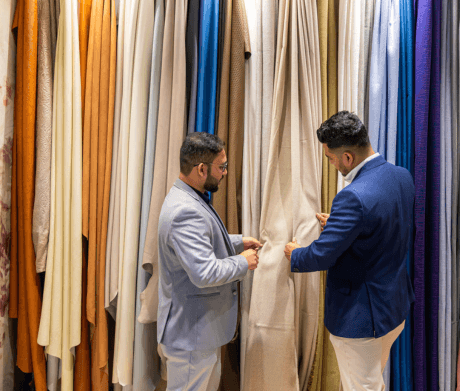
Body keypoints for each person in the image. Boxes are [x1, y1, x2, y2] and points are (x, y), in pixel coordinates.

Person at [284, 111, 415, 391]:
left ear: (347, 157)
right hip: (393, 308)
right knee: (371, 382)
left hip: (361, 320)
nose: (332, 165)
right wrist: (340, 225)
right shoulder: (401, 176)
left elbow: (321, 255)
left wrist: (295, 253)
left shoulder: (352, 196)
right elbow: (383, 226)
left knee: (364, 388)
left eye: (331, 159)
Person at [157, 132, 262, 391]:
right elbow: (204, 272)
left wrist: (238, 242)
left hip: (197, 334)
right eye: (221, 167)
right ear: (202, 169)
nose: (224, 173)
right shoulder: (186, 211)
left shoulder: (188, 198)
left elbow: (201, 244)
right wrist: (243, 262)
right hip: (192, 336)